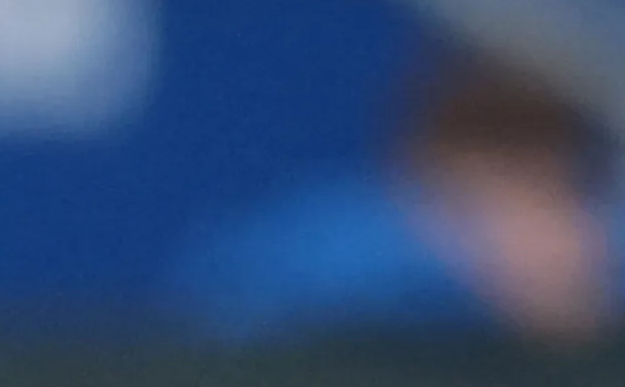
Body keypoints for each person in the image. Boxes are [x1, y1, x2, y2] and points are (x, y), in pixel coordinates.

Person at [169, 45, 619, 345]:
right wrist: (466, 273)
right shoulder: (333, 243)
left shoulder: (599, 240)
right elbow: (212, 333)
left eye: (538, 164)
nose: (512, 210)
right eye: (488, 145)